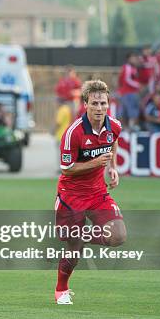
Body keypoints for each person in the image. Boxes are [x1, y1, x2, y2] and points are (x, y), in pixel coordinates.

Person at [55, 80, 127, 305]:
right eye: (94, 103)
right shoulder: (73, 133)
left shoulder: (114, 126)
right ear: (85, 104)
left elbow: (112, 143)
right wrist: (96, 162)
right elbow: (67, 168)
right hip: (71, 195)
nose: (99, 108)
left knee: (118, 236)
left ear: (109, 104)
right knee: (73, 250)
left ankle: (79, 235)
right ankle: (61, 289)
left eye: (103, 103)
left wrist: (112, 167)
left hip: (97, 193)